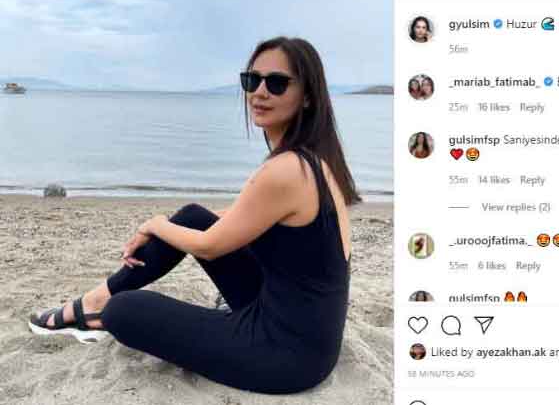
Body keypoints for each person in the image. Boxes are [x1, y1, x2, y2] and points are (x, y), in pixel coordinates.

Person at [28, 36, 361, 395]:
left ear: (308, 96)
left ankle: (97, 308)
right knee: (192, 216)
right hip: (300, 328)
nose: (259, 92)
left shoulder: (285, 170)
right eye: (251, 80)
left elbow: (209, 246)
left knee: (122, 311)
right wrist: (169, 226)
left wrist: (154, 224)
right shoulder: (313, 158)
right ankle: (94, 300)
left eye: (276, 83)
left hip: (287, 356)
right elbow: (234, 217)